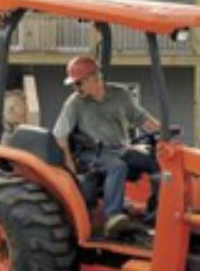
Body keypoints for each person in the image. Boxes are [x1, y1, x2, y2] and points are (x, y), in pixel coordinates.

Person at [52, 56, 161, 238]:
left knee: (155, 162)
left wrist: (165, 132)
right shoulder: (74, 103)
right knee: (117, 167)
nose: (75, 88)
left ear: (95, 78)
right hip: (91, 153)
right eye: (73, 84)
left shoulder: (120, 95)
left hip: (120, 148)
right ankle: (113, 218)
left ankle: (156, 213)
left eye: (78, 83)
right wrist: (70, 168)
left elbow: (142, 118)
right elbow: (60, 137)